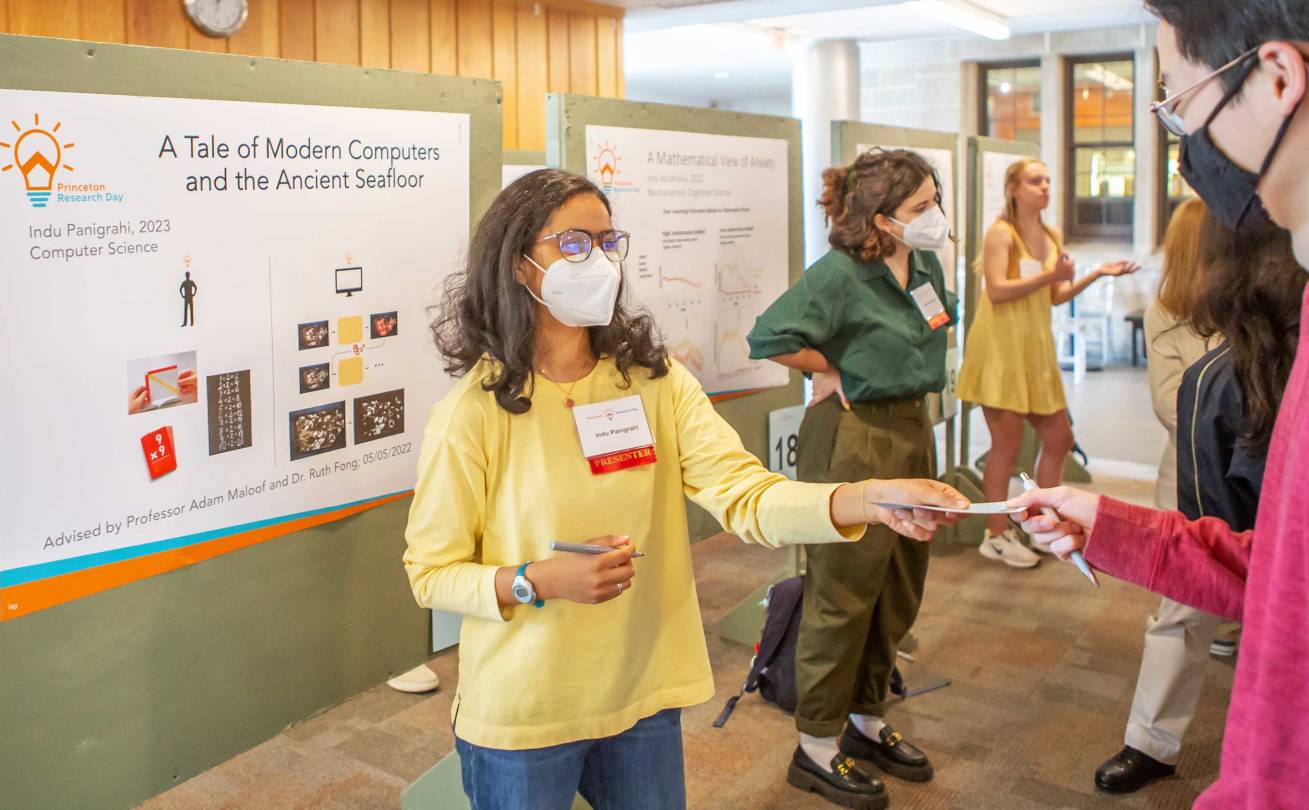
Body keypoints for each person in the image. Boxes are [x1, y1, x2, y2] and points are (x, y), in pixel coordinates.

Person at [403, 169, 968, 810]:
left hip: (642, 692)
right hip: (526, 711)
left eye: (608, 242)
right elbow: (432, 574)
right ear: (517, 263)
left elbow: (744, 493)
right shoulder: (472, 413)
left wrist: (863, 498)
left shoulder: (651, 380)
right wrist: (534, 581)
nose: (600, 262)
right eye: (574, 245)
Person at [1011, 3, 1309, 806]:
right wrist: (1112, 526)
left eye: (1179, 100)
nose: (1182, 139)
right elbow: (1293, 582)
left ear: (1278, 79)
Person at [747, 148, 956, 808]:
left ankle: (866, 719)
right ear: (882, 218)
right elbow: (767, 335)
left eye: (935, 201)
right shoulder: (840, 273)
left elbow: (934, 326)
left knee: (899, 586)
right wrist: (828, 367)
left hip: (913, 427)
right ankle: (815, 745)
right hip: (854, 435)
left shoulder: (922, 263)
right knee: (843, 594)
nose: (936, 215)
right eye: (922, 206)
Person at [1097, 209, 1309, 793]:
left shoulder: (1283, 313)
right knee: (1182, 610)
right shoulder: (1172, 315)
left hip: (1276, 475)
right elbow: (1175, 405)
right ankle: (1150, 741)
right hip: (1197, 472)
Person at [955, 158, 1138, 569]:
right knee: (1006, 446)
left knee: (1059, 438)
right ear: (1013, 188)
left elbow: (1055, 295)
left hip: (1035, 350)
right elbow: (997, 290)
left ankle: (1040, 524)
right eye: (1035, 181)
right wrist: (1049, 275)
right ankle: (996, 535)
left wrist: (1097, 274)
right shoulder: (1001, 233)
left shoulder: (1051, 234)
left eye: (1048, 181)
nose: (1045, 188)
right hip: (1001, 349)